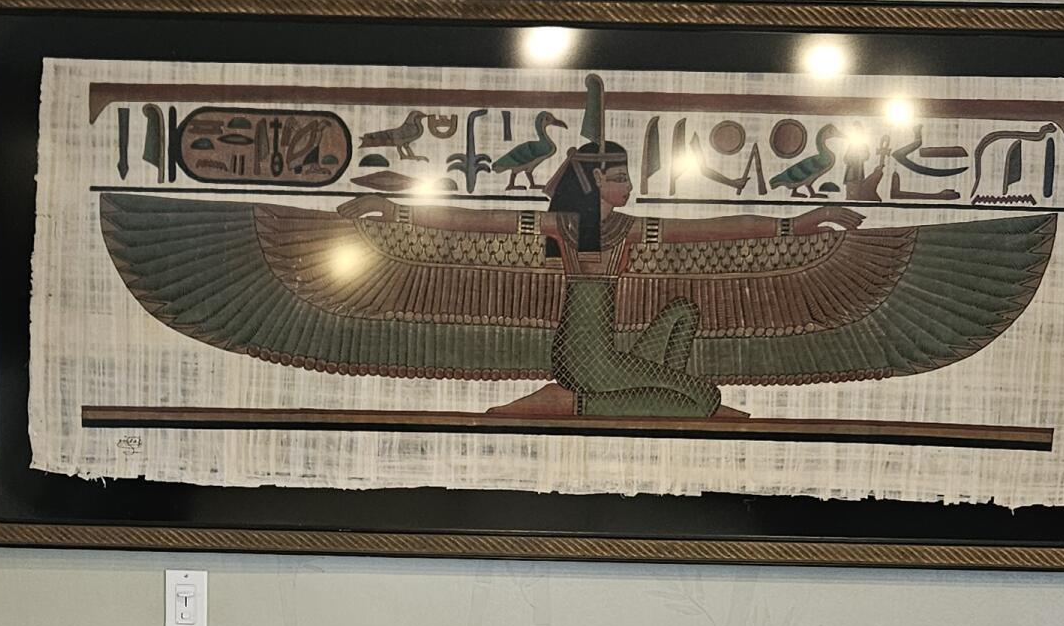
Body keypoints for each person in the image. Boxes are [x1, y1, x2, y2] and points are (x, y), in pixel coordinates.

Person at [338, 136, 864, 420]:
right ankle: (588, 400)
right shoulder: (562, 226)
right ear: (593, 180)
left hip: (609, 354)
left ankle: (646, 406)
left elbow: (719, 228)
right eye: (619, 178)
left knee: (684, 316)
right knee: (704, 396)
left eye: (629, 176)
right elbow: (476, 219)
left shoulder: (631, 229)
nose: (629, 186)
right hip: (583, 355)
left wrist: (798, 222)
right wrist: (396, 210)